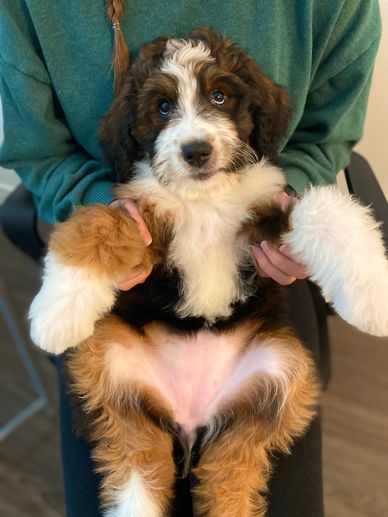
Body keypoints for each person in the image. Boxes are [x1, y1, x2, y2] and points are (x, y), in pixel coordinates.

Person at [0, 1, 381, 516]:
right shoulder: (142, 186)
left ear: (255, 112)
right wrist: (95, 235)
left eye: (219, 97)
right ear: (134, 130)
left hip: (249, 337)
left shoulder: (259, 178)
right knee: (110, 391)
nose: (194, 135)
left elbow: (321, 147)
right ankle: (137, 492)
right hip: (141, 333)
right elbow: (46, 159)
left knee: (279, 384)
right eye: (162, 110)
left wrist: (339, 249)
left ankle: (231, 499)